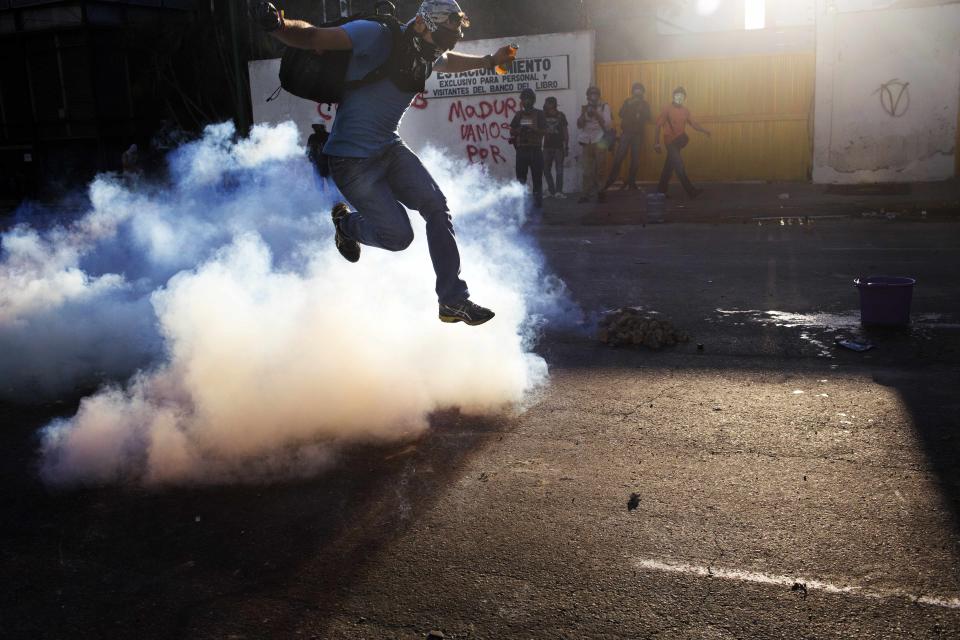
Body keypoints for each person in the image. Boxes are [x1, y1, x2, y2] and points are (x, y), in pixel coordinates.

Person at [255, 0, 514, 326]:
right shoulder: (376, 35)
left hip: (389, 148)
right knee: (399, 238)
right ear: (422, 23)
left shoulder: (428, 50)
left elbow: (447, 61)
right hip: (352, 161)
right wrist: (279, 26)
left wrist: (490, 61)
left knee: (436, 206)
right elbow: (313, 38)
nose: (439, 50)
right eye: (439, 39)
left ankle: (452, 300)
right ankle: (345, 226)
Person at [654, 86, 711, 199]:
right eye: (677, 95)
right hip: (670, 142)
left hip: (678, 142)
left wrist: (704, 131)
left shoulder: (685, 111)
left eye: (682, 96)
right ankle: (691, 191)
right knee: (679, 166)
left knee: (668, 167)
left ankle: (660, 192)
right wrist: (656, 143)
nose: (679, 98)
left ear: (684, 98)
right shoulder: (667, 109)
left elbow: (694, 124)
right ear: (673, 96)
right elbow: (658, 125)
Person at [603, 82, 650, 192]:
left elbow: (648, 117)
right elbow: (620, 114)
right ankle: (610, 181)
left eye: (640, 90)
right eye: (636, 89)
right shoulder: (628, 101)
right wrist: (631, 104)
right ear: (633, 92)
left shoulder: (645, 104)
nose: (638, 92)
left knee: (635, 161)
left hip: (638, 135)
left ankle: (631, 183)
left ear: (643, 92)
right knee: (619, 158)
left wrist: (641, 109)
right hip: (626, 133)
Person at [509, 88, 546, 209]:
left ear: (533, 100)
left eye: (528, 98)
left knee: (537, 179)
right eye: (524, 99)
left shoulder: (539, 114)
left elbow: (545, 131)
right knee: (521, 180)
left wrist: (533, 130)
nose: (526, 101)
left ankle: (537, 205)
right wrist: (519, 130)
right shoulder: (519, 115)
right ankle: (522, 205)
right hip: (522, 151)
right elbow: (512, 131)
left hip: (535, 150)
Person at [576, 86, 612, 204]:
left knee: (600, 169)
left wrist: (596, 113)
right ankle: (585, 194)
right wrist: (585, 113)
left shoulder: (604, 106)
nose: (593, 96)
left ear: (598, 95)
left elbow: (607, 125)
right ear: (587, 96)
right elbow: (579, 125)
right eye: (591, 94)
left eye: (595, 94)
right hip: (587, 141)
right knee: (587, 171)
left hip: (600, 140)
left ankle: (601, 192)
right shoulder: (584, 108)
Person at [541, 97, 569, 199]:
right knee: (545, 169)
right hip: (547, 146)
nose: (545, 105)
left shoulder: (561, 116)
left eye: (547, 103)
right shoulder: (543, 116)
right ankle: (552, 190)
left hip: (558, 147)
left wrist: (566, 147)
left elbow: (565, 132)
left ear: (552, 104)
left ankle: (559, 191)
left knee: (559, 169)